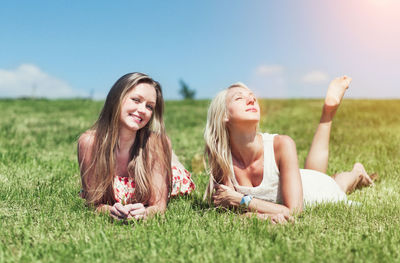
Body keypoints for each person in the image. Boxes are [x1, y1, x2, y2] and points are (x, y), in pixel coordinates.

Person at [204, 76, 376, 224]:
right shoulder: (222, 157)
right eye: (239, 98)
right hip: (300, 179)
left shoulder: (281, 144)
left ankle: (356, 171)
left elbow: (293, 211)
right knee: (314, 174)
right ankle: (356, 170)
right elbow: (228, 212)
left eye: (252, 96)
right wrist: (258, 217)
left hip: (317, 190)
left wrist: (242, 200)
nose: (251, 100)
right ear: (224, 115)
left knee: (336, 184)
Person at [78, 72, 195, 220]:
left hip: (156, 159)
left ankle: (172, 158)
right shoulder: (89, 143)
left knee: (169, 158)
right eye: (136, 100)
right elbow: (93, 203)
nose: (142, 110)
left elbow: (159, 205)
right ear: (116, 99)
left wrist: (145, 213)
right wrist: (110, 211)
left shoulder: (157, 143)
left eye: (149, 107)